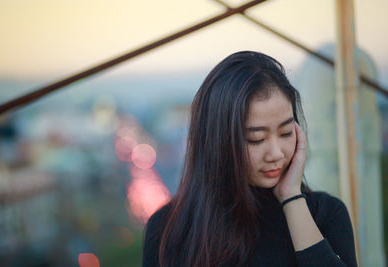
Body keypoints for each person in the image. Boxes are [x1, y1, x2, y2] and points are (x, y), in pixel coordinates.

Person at [142, 51, 357, 266]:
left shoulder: (326, 214)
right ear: (219, 141)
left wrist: (291, 197)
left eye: (285, 133)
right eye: (256, 138)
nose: (276, 153)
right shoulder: (169, 229)